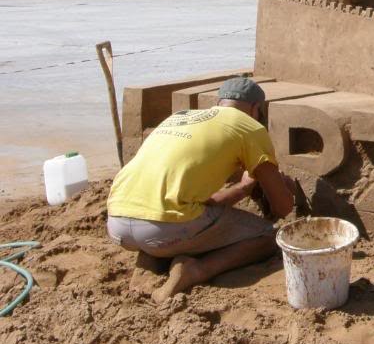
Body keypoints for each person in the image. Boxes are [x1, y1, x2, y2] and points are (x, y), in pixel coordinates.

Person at [106, 77, 295, 302]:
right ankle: (196, 270)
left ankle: (150, 260)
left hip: (117, 223)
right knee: (268, 236)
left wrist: (244, 188)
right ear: (256, 109)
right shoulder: (249, 127)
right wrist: (282, 188)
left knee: (184, 217)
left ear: (220, 102)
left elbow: (206, 203)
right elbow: (283, 208)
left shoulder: (180, 118)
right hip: (164, 229)